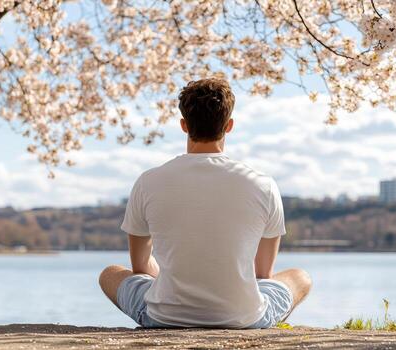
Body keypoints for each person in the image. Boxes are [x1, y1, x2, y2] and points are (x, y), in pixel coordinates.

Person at [98, 78, 311, 328]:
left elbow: (141, 266)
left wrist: (175, 281)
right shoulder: (263, 184)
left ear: (183, 125)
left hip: (163, 317)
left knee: (110, 273)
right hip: (245, 319)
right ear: (229, 125)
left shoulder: (148, 181)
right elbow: (262, 274)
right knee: (300, 277)